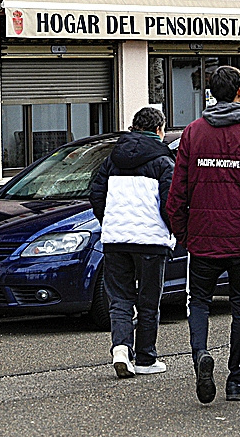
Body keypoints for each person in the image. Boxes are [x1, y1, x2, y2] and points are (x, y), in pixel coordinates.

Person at [166, 66, 240, 405]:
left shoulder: (193, 133)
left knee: (198, 302)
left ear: (210, 93)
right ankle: (236, 379)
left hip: (202, 237)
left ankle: (201, 355)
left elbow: (177, 191)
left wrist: (184, 233)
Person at [90, 107, 175, 379]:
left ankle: (121, 349)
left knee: (120, 299)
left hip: (116, 239)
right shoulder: (164, 161)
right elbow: (170, 203)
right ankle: (146, 358)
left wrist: (110, 221)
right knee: (149, 301)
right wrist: (172, 231)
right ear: (159, 130)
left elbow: (96, 195)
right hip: (151, 240)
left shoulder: (112, 159)